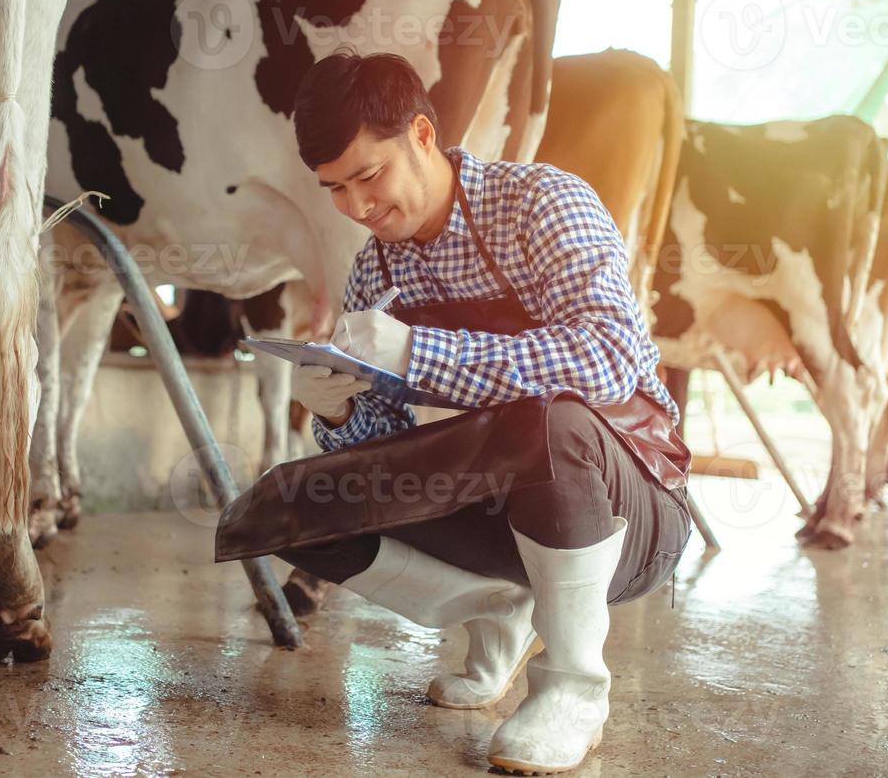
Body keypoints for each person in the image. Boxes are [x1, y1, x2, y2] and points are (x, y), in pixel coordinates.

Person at [214, 48, 693, 775]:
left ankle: (573, 689)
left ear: (423, 137)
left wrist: (418, 354)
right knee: (284, 504)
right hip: (491, 510)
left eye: (369, 176)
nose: (356, 208)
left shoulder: (542, 202)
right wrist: (339, 412)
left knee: (547, 423)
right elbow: (387, 445)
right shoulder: (375, 268)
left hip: (631, 511)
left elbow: (607, 358)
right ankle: (501, 608)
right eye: (334, 188)